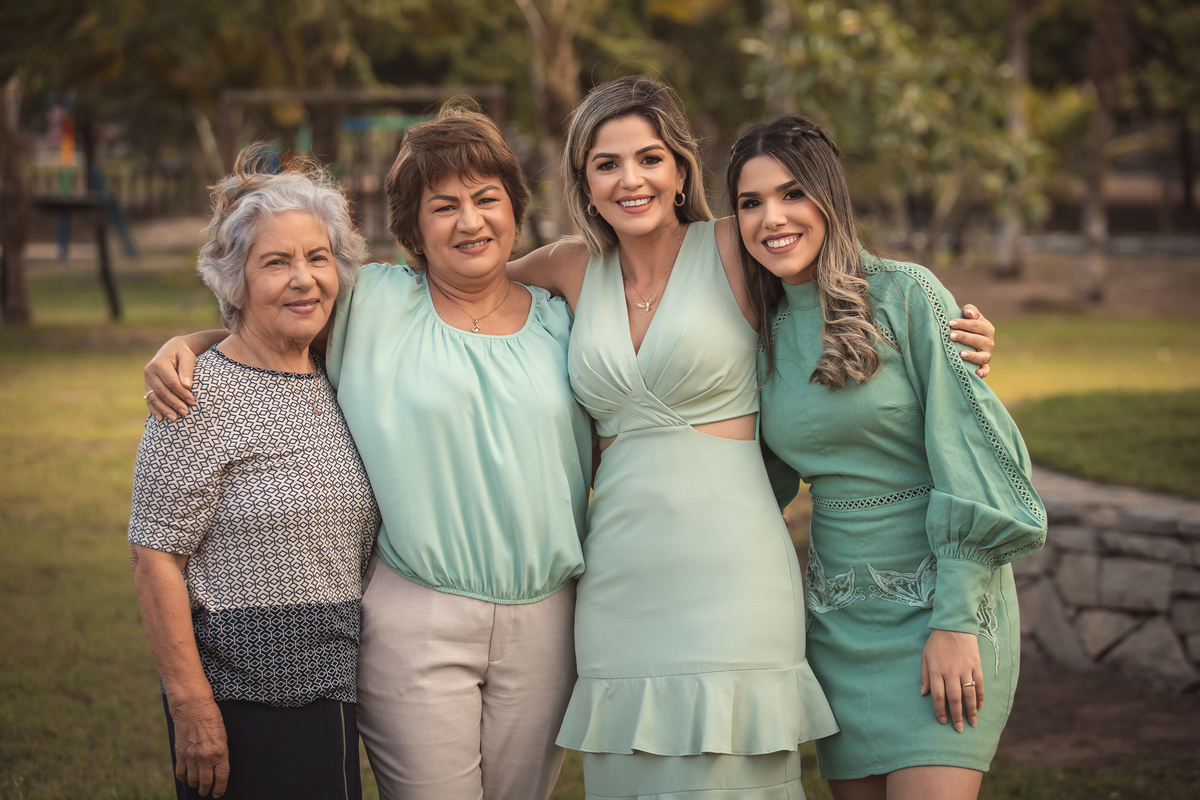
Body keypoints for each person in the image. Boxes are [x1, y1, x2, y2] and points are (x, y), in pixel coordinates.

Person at [506, 76, 999, 798]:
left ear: (680, 170)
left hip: (730, 572)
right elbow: (468, 288)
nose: (630, 179)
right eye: (606, 163)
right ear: (582, 178)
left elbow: (854, 281)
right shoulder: (567, 268)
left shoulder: (737, 243)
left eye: (649, 158)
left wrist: (965, 336)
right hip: (615, 576)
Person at [142, 106, 592, 800]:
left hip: (549, 616)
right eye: (444, 206)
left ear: (516, 210)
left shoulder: (567, 315)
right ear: (412, 229)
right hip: (420, 612)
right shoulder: (376, 304)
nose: (469, 222)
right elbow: (274, 313)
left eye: (486, 200)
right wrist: (188, 346)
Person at [727, 114, 1047, 800]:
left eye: (791, 194)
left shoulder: (907, 294)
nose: (772, 219)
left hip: (943, 610)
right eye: (750, 203)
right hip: (839, 624)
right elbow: (751, 481)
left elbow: (971, 455)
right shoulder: (761, 333)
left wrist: (956, 622)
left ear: (829, 199)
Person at [128, 153, 381, 799]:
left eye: (317, 258)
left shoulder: (340, 374)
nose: (304, 280)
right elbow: (154, 555)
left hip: (335, 686)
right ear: (233, 279)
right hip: (240, 699)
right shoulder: (195, 394)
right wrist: (191, 706)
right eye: (276, 262)